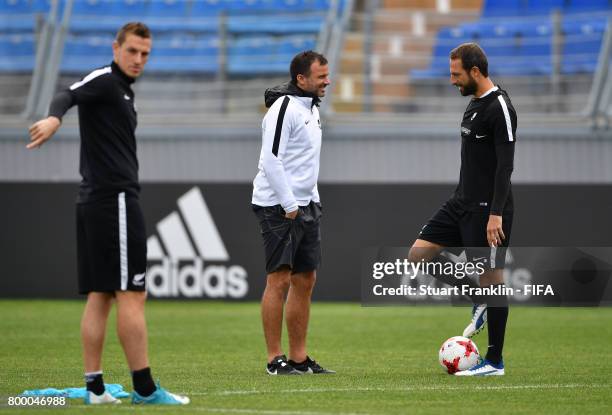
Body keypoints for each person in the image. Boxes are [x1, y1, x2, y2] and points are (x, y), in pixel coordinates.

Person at [27, 22, 189, 404]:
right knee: (132, 294)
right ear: (116, 48)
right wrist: (53, 118)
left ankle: (95, 388)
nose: (138, 59)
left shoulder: (123, 92)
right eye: (132, 51)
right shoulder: (104, 80)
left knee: (101, 296)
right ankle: (145, 389)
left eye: (145, 54)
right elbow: (67, 95)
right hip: (113, 200)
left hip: (97, 200)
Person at [408, 43, 517, 376]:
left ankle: (494, 361)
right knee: (417, 255)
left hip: (488, 210)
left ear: (475, 71)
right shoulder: (472, 104)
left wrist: (495, 213)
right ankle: (477, 297)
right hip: (460, 202)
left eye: (456, 74)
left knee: (493, 282)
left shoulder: (500, 106)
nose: (452, 80)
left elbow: (505, 167)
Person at [252, 51, 335, 375]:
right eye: (321, 76)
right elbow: (271, 160)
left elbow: (305, 163)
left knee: (306, 279)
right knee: (279, 280)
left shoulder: (311, 109)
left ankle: (299, 358)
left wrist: (311, 200)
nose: (327, 81)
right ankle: (275, 359)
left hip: (305, 205)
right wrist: (289, 204)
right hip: (278, 206)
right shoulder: (283, 108)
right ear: (301, 79)